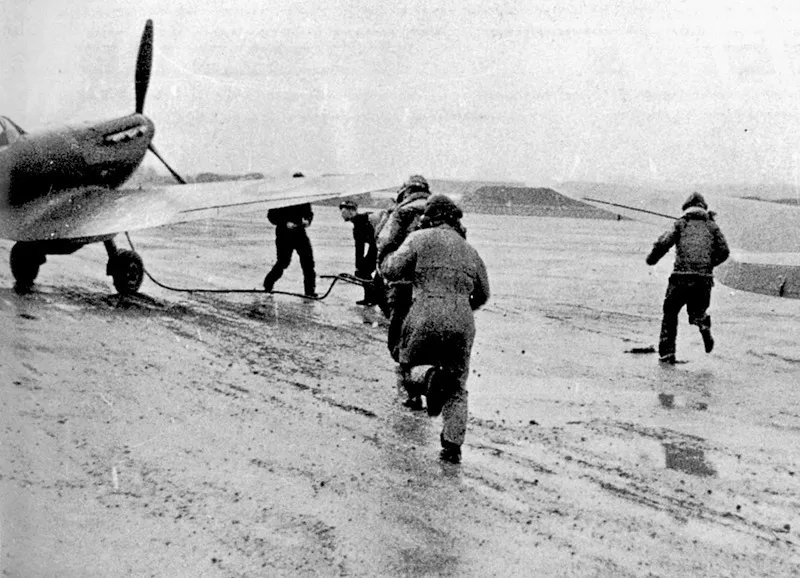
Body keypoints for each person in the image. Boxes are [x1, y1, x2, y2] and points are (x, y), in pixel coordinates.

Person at [381, 194, 490, 464]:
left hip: (425, 314)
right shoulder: (471, 251)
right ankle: (453, 446)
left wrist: (386, 254)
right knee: (457, 385)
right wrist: (462, 305)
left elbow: (392, 270)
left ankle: (429, 378)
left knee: (408, 370)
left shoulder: (418, 238)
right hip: (462, 321)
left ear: (430, 216)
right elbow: (483, 293)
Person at [646, 192, 730, 363]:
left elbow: (663, 243)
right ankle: (703, 323)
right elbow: (724, 251)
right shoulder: (712, 226)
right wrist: (709, 264)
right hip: (704, 280)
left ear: (686, 208)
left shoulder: (681, 223)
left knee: (670, 312)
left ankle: (667, 353)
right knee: (697, 312)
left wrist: (652, 259)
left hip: (681, 277)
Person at [375, 175, 432, 362]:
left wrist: (384, 271)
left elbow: (384, 241)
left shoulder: (402, 211)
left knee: (399, 334)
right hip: (436, 283)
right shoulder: (441, 212)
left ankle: (406, 367)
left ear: (405, 191)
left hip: (405, 280)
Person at [262, 202, 317, 297]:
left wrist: (308, 220)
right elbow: (271, 216)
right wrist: (285, 223)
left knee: (308, 262)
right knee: (283, 262)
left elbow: (309, 213)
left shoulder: (302, 198)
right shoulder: (282, 198)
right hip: (283, 234)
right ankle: (268, 283)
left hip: (300, 232)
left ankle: (310, 291)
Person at [339, 199, 381, 306]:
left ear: (351, 211)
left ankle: (372, 298)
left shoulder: (359, 222)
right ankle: (371, 297)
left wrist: (358, 265)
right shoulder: (362, 219)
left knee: (364, 270)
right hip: (377, 244)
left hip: (379, 245)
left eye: (343, 212)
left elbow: (359, 247)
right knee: (365, 270)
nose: (342, 214)